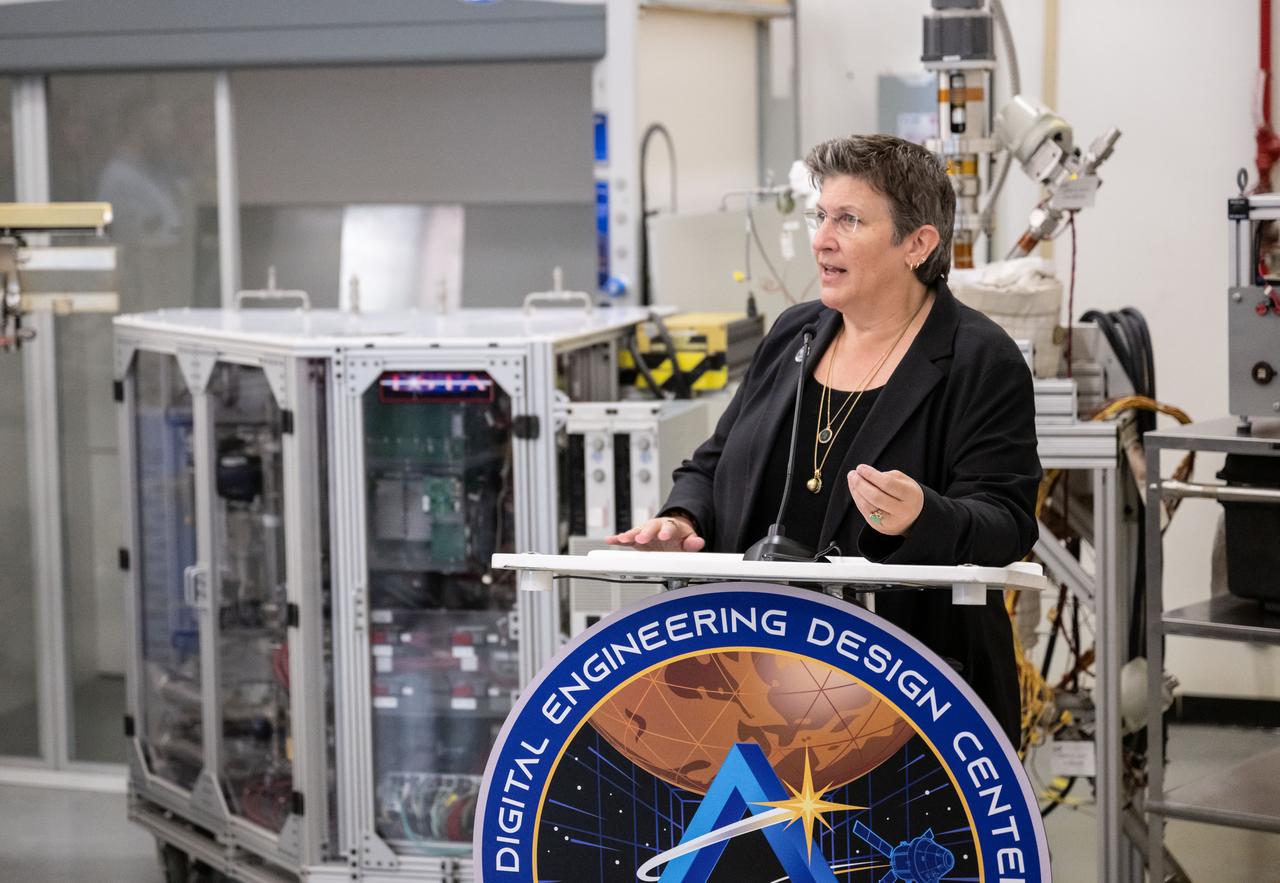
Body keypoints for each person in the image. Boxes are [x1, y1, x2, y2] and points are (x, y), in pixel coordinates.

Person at [606, 133, 1041, 742]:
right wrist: (682, 517)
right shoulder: (795, 334)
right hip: (759, 688)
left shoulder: (978, 358)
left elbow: (1008, 523)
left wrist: (924, 516)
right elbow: (713, 464)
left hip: (910, 702)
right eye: (821, 216)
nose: (821, 238)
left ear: (918, 244)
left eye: (849, 220)